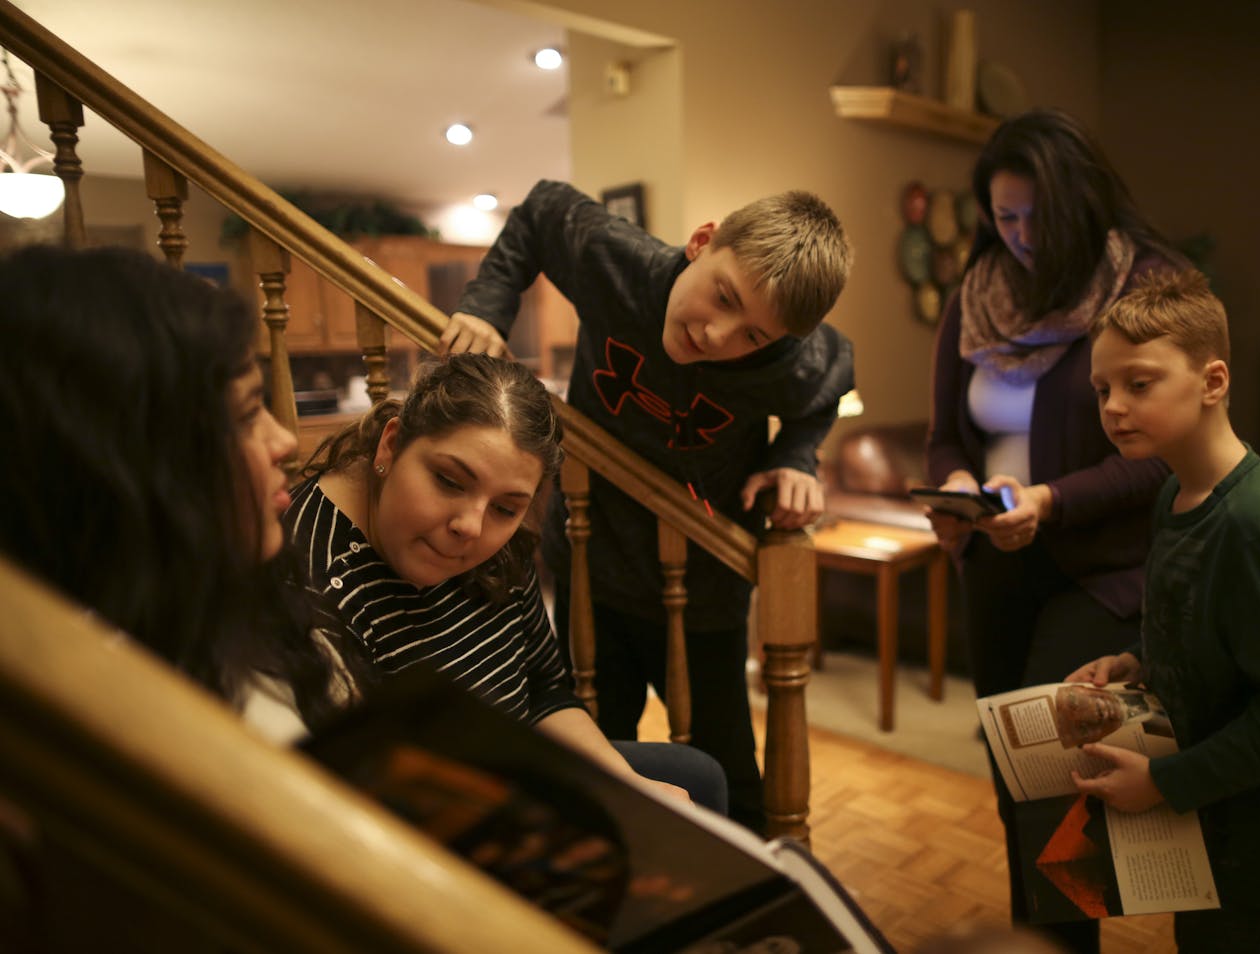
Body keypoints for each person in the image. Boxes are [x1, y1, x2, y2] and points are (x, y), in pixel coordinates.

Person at [441, 180, 854, 832]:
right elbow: (542, 212)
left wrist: (795, 458)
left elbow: (830, 383)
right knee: (595, 759)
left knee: (734, 779)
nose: (719, 335)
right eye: (723, 298)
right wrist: (487, 306)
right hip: (590, 562)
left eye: (752, 335)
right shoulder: (615, 260)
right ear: (701, 243)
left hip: (706, 590)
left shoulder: (793, 356)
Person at [924, 108, 1184, 952]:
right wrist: (961, 484)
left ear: (1082, 202)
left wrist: (1049, 500)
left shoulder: (1146, 285)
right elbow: (945, 432)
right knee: (1012, 780)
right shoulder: (978, 294)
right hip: (996, 563)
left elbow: (1166, 453)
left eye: (1038, 216)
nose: (1023, 237)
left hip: (1099, 572)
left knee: (1060, 785)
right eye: (1005, 217)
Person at [1067, 270, 1260, 953]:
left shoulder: (1258, 526)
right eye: (1103, 389)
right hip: (1212, 818)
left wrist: (1165, 782)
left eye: (1138, 383)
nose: (1113, 406)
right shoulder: (1173, 494)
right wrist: (1136, 665)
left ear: (1213, 382)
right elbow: (1210, 637)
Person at [287, 352, 729, 813]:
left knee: (697, 780)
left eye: (505, 508)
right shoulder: (313, 584)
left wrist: (624, 785)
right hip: (430, 824)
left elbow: (543, 688)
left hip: (513, 773)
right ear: (390, 445)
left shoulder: (500, 542)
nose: (471, 526)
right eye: (449, 481)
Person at [0, 244, 371, 732]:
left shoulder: (264, 619)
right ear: (131, 460)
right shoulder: (82, 716)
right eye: (244, 416)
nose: (283, 441)